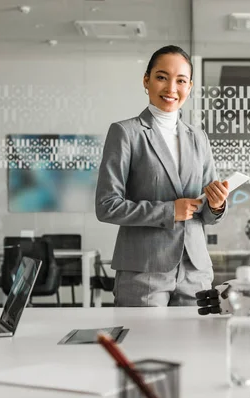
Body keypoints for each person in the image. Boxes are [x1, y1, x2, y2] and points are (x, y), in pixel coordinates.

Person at [95, 45, 229, 307]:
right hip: (144, 270)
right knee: (144, 347)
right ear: (146, 80)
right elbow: (106, 206)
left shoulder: (198, 137)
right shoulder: (126, 133)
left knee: (196, 347)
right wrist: (168, 211)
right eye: (161, 77)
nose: (171, 88)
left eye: (180, 81)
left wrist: (216, 205)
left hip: (194, 270)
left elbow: (207, 215)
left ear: (189, 87)